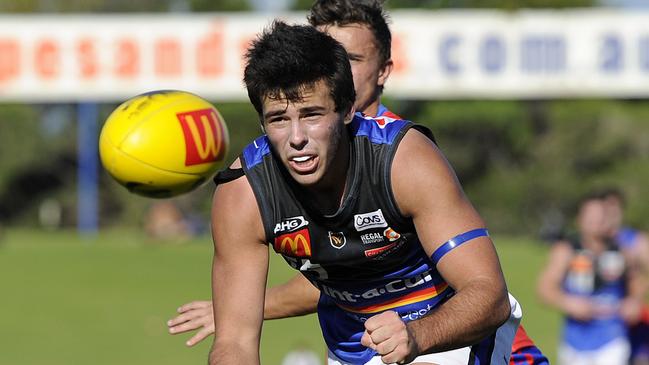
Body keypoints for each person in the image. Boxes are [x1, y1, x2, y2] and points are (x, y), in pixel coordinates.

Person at [169, 2, 549, 364]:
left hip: (442, 325)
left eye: (312, 115)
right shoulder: (244, 192)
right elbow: (234, 342)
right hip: (352, 342)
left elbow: (489, 294)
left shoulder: (404, 159)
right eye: (279, 120)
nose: (296, 137)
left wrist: (417, 335)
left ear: (348, 108)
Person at [537, 193, 645, 365]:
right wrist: (568, 302)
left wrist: (633, 302)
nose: (596, 221)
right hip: (574, 342)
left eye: (601, 216)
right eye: (591, 216)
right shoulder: (566, 250)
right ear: (580, 219)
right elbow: (545, 289)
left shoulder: (622, 250)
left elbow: (637, 281)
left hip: (613, 339)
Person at [601, 188, 649, 365]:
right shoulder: (588, 243)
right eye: (606, 210)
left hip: (634, 323)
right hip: (601, 322)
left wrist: (636, 297)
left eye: (615, 209)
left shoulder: (636, 241)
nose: (611, 215)